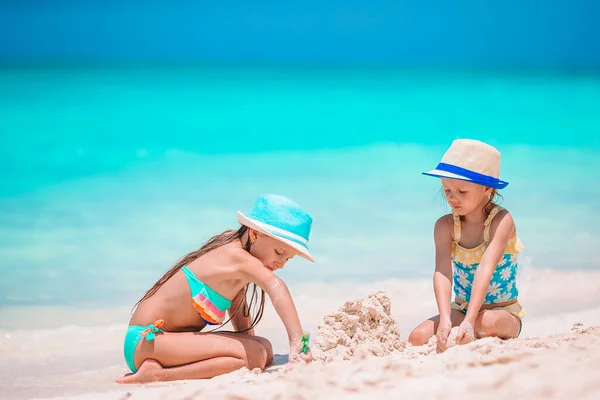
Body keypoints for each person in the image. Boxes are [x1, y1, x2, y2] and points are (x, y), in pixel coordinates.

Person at [116, 194, 314, 384]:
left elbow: (237, 301)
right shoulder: (235, 255)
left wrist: (248, 340)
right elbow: (276, 285)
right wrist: (296, 341)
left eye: (288, 258)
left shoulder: (240, 254)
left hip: (164, 343)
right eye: (279, 252)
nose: (281, 263)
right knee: (256, 355)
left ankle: (159, 369)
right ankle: (156, 374)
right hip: (145, 341)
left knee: (264, 348)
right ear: (254, 233)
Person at [408, 139, 525, 352]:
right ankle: (462, 327)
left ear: (487, 189)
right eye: (447, 190)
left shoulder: (501, 220)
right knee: (417, 337)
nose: (453, 198)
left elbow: (485, 268)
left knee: (485, 323)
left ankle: (473, 328)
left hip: (503, 312)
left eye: (462, 191)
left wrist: (470, 321)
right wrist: (445, 318)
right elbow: (442, 271)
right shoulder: (445, 226)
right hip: (460, 309)